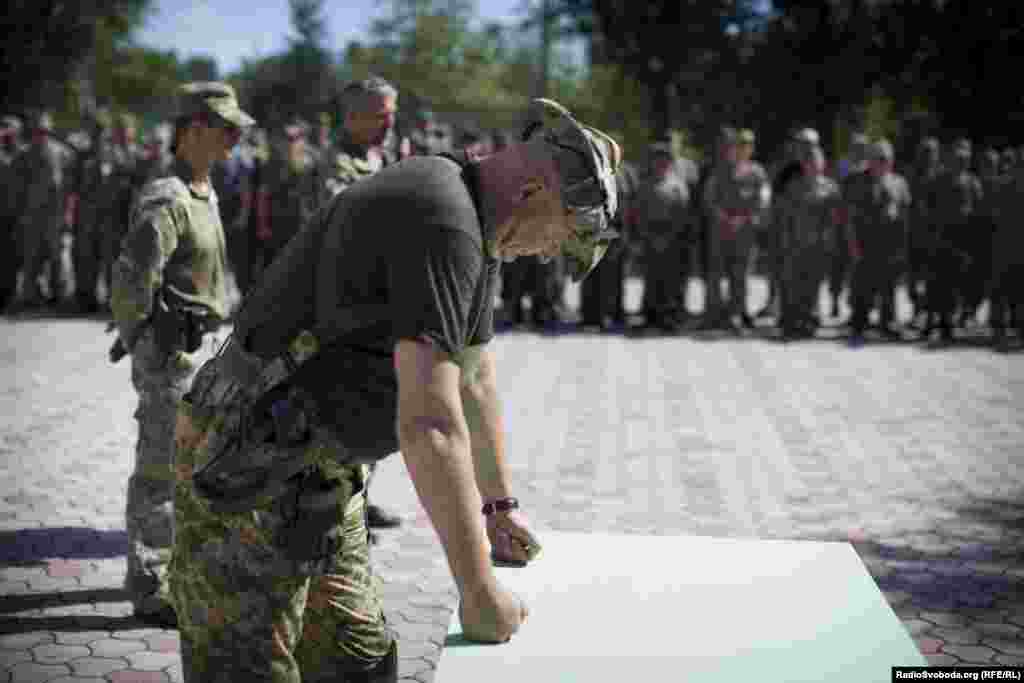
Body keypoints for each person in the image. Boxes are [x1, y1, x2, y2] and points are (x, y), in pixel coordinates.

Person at [169, 97, 619, 681]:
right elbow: (429, 424)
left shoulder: (479, 228)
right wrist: (479, 591)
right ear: (534, 189)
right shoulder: (442, 218)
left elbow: (475, 376)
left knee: (357, 663)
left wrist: (498, 508)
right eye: (564, 233)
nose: (554, 251)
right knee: (249, 667)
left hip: (318, 466)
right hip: (242, 467)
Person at [110, 82, 252, 624]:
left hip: (210, 352)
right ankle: (151, 584)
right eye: (226, 130)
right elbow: (131, 280)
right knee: (161, 473)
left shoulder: (203, 189)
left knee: (200, 469)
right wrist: (145, 343)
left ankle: (187, 572)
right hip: (174, 356)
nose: (235, 140)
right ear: (193, 130)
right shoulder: (166, 197)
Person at [702, 127, 771, 331]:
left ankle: (736, 313)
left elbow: (764, 199)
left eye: (747, 145)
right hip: (721, 230)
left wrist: (746, 218)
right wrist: (724, 217)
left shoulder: (757, 172)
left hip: (745, 231)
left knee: (740, 275)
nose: (743, 149)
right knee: (716, 274)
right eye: (740, 145)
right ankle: (713, 315)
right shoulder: (720, 170)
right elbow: (709, 198)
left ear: (752, 149)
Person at [846, 139, 912, 345]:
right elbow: (849, 217)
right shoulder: (857, 181)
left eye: (886, 159)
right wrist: (853, 245)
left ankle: (888, 323)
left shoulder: (899, 183)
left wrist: (903, 246)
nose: (882, 163)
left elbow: (905, 214)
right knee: (862, 287)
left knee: (889, 286)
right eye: (878, 158)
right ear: (870, 160)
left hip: (890, 245)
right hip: (865, 242)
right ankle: (859, 325)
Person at [776, 145, 841, 339]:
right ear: (803, 164)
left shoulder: (830, 188)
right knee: (794, 283)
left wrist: (830, 240)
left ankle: (809, 320)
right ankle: (791, 320)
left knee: (813, 284)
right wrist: (784, 240)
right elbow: (785, 216)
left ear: (822, 164)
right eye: (809, 161)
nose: (813, 164)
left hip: (819, 244)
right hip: (796, 242)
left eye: (816, 161)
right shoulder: (793, 186)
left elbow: (835, 218)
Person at [924, 139, 982, 345]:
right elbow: (928, 209)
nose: (961, 161)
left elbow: (978, 213)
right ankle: (936, 322)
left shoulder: (973, 182)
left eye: (965, 158)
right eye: (958, 158)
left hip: (963, 240)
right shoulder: (939, 180)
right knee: (939, 284)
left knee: (958, 284)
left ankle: (951, 321)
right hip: (942, 239)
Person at [635, 142, 696, 331]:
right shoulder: (644, 185)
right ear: (652, 162)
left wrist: (670, 236)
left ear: (670, 162)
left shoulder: (678, 186)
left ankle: (670, 317)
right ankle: (651, 315)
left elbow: (683, 214)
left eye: (665, 159)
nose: (661, 163)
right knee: (652, 277)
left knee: (672, 279)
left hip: (673, 237)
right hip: (650, 236)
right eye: (657, 159)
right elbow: (638, 214)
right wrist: (647, 236)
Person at [18, 111, 75, 308]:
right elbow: (19, 187)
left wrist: (67, 213)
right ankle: (31, 297)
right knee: (32, 257)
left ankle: (61, 298)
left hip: (55, 215)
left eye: (44, 131)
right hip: (32, 215)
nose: (40, 135)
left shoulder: (63, 153)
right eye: (37, 131)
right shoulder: (24, 154)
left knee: (57, 258)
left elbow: (70, 188)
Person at [321, 76, 398, 202]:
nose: (390, 123)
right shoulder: (335, 167)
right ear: (352, 119)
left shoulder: (384, 157)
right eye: (380, 116)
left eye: (392, 114)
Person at [71, 108, 116, 314]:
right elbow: (74, 185)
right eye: (96, 131)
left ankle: (111, 301)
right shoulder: (82, 155)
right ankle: (86, 300)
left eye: (102, 131)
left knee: (109, 260)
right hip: (87, 215)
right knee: (86, 260)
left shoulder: (114, 154)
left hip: (108, 216)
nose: (99, 136)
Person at [0, 115, 24, 309]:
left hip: (17, 216)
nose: (8, 134)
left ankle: (10, 297)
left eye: (11, 130)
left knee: (13, 259)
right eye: (4, 130)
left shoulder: (24, 155)